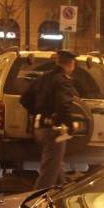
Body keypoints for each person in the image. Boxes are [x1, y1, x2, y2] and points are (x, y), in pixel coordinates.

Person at [27, 49, 78, 190]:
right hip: (55, 130)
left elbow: (25, 99)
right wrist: (71, 125)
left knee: (56, 165)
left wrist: (38, 113)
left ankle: (64, 194)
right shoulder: (63, 80)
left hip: (39, 128)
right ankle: (34, 204)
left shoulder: (42, 78)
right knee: (48, 174)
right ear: (71, 63)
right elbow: (64, 105)